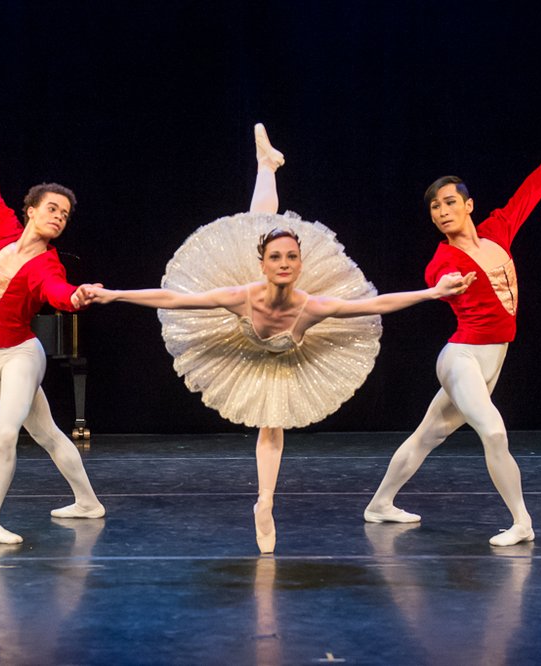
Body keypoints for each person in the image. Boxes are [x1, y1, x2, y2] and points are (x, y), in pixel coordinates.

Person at [87, 124, 474, 553]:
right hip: (240, 345)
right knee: (259, 224)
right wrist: (114, 294)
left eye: (292, 257)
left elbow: (375, 304)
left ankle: (265, 502)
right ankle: (267, 166)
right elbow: (176, 299)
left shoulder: (313, 305)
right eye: (276, 257)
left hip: (291, 355)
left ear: (302, 263)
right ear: (264, 265)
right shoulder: (241, 295)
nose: (285, 263)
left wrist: (431, 293)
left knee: (271, 426)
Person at [363, 107, 541, 547]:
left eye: (449, 202)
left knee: (427, 435)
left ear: (468, 205)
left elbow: (534, 188)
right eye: (434, 207)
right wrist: (444, 287)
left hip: (493, 359)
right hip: (461, 358)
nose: (441, 211)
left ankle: (379, 504)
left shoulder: (498, 231)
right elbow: (438, 279)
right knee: (493, 430)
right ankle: (522, 522)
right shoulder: (443, 259)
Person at [0, 88, 105, 545]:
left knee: (5, 435)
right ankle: (88, 502)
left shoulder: (47, 266)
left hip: (20, 356)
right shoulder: (1, 232)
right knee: (48, 433)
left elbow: (58, 293)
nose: (59, 217)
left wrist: (76, 298)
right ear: (30, 210)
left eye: (65, 215)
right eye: (52, 208)